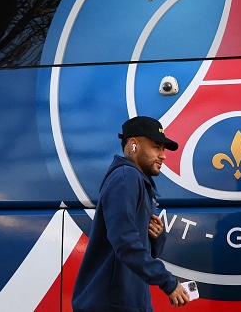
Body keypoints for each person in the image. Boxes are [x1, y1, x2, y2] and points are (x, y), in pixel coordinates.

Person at [72, 116, 190, 311]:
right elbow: (125, 243)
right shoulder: (126, 177)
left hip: (129, 304)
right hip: (110, 306)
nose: (163, 155)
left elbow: (140, 253)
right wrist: (167, 282)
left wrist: (157, 238)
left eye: (163, 149)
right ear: (134, 145)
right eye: (156, 147)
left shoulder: (140, 182)